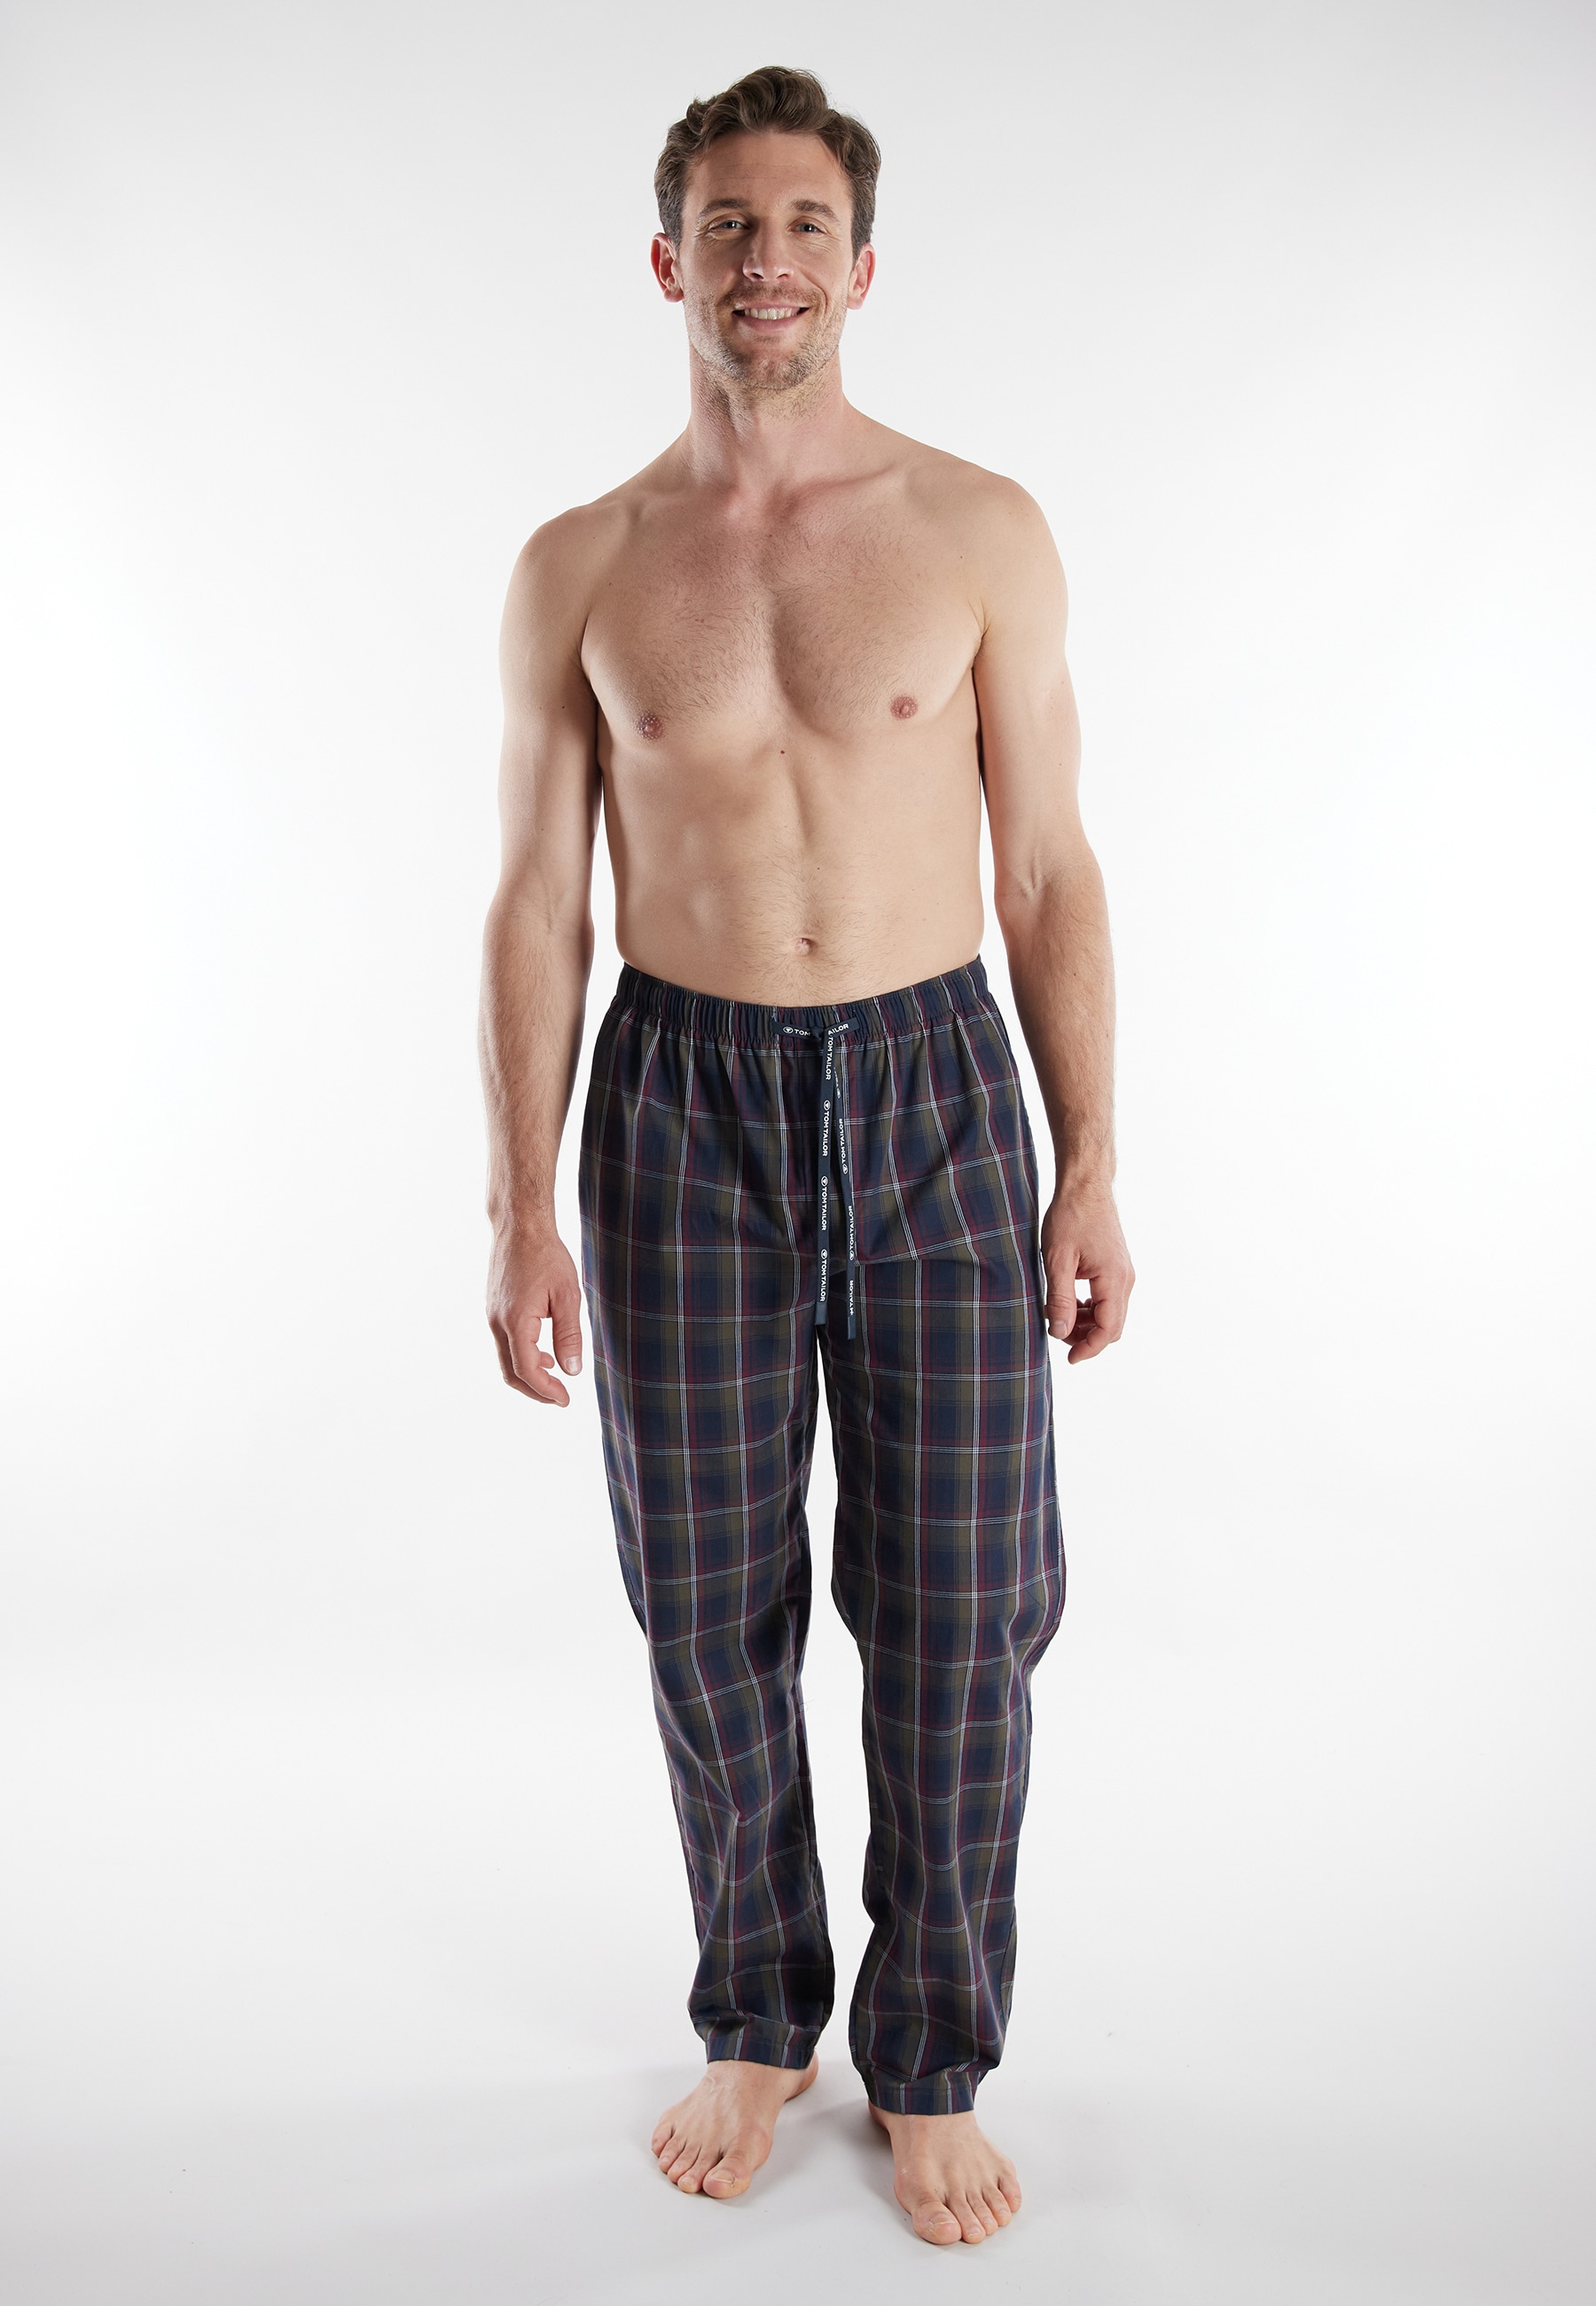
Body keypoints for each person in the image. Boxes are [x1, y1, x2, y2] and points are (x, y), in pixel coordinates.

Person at [478, 64, 1133, 2249]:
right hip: (677, 1108)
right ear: (672, 261)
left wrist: (1091, 1161)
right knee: (705, 1603)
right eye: (734, 226)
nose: (771, 263)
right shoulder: (581, 564)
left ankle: (928, 2051)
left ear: (865, 267)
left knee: (963, 1606)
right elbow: (535, 904)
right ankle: (760, 2016)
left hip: (937, 1089)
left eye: (808, 226)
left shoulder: (976, 530)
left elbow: (1047, 868)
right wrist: (517, 1203)